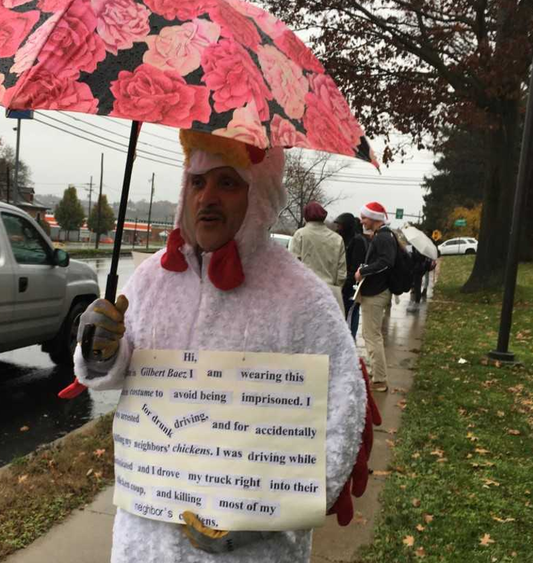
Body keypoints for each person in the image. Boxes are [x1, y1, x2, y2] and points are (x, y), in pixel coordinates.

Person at [74, 131, 372, 563]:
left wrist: (267, 515)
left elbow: (343, 414)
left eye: (227, 183)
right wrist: (99, 351)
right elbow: (122, 376)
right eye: (197, 182)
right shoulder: (150, 281)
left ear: (260, 197)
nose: (207, 198)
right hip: (146, 542)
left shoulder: (301, 298)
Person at [354, 202, 397, 393]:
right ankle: (377, 375)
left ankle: (379, 380)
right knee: (370, 335)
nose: (362, 221)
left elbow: (386, 262)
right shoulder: (382, 236)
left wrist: (364, 270)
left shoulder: (383, 237)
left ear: (374, 218)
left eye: (364, 217)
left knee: (372, 337)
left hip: (376, 292)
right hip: (376, 291)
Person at [288, 202, 347, 312]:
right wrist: (336, 288)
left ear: (306, 215)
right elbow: (342, 273)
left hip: (305, 291)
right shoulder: (337, 239)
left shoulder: (300, 235)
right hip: (330, 292)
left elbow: (293, 265)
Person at [334, 213, 368, 339]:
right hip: (345, 285)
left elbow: (355, 267)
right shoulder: (344, 240)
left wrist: (345, 282)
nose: (338, 228)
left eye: (340, 226)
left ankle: (349, 343)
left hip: (351, 287)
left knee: (350, 317)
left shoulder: (357, 241)